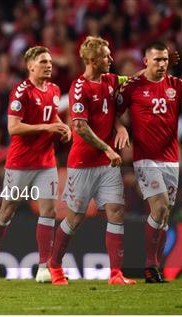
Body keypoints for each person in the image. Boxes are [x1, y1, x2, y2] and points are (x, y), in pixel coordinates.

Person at [116, 42, 182, 283]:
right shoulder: (133, 86)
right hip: (145, 158)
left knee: (165, 214)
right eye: (157, 60)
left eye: (165, 60)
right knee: (159, 206)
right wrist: (120, 128)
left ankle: (155, 268)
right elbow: (113, 113)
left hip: (171, 159)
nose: (161, 64)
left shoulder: (177, 86)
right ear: (145, 61)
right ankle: (149, 266)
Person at [47, 36, 136, 285]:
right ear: (94, 60)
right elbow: (80, 127)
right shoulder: (79, 87)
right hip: (84, 162)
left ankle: (116, 274)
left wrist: (120, 127)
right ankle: (54, 266)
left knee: (116, 211)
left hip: (108, 163)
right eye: (106, 56)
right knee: (75, 217)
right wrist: (107, 148)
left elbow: (133, 81)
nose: (110, 59)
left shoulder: (110, 80)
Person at [0, 46, 71, 284]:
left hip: (46, 161)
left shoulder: (54, 89)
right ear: (30, 66)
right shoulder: (21, 92)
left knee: (49, 211)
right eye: (43, 62)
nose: (49, 65)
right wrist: (47, 127)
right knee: (7, 210)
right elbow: (13, 128)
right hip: (20, 163)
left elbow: (51, 115)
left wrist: (62, 126)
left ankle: (44, 267)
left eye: (50, 61)